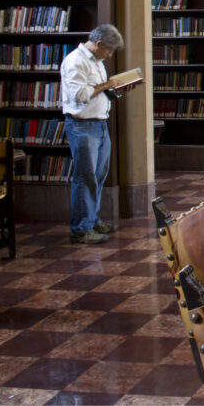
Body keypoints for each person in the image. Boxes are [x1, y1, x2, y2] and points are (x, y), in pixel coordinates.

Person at [61, 24, 132, 245]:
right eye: (109, 50)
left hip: (100, 125)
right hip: (83, 127)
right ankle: (81, 229)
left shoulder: (97, 62)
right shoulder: (76, 61)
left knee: (98, 176)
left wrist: (115, 90)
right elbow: (80, 95)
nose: (110, 55)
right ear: (99, 44)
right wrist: (107, 84)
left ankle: (92, 220)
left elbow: (98, 92)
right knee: (85, 178)